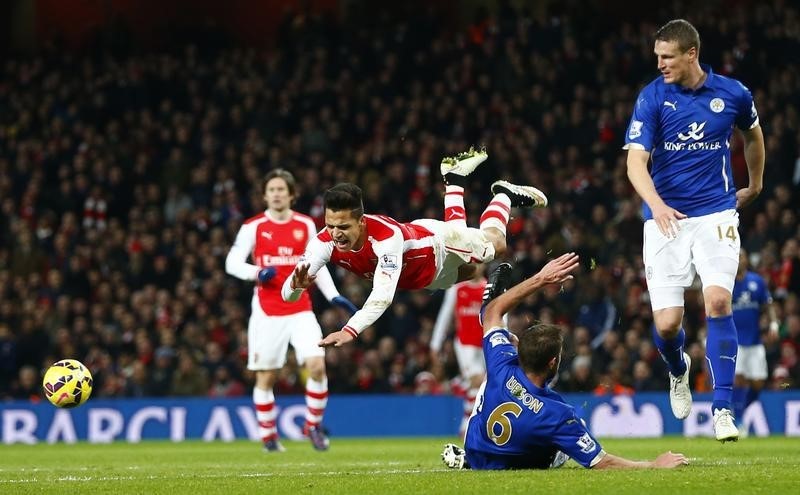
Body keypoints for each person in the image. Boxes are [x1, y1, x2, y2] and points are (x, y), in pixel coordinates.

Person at [623, 19, 765, 442]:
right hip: (666, 219)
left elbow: (754, 136)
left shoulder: (733, 94)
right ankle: (678, 369)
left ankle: (722, 408)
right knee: (667, 325)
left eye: (667, 56)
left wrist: (755, 185)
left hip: (716, 213)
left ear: (691, 54)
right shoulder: (651, 97)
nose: (660, 64)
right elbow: (635, 163)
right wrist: (658, 205)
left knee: (719, 301)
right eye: (657, 57)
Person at [441, 255, 689, 470]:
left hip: (476, 449)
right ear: (552, 362)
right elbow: (601, 462)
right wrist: (653, 465)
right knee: (567, 435)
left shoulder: (502, 364)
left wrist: (540, 278)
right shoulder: (558, 413)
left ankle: (472, 459)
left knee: (493, 366)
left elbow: (492, 312)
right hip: (517, 461)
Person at [281, 148, 548, 347]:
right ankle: (454, 180)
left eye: (344, 227)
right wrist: (296, 287)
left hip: (437, 243)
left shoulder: (385, 239)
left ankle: (503, 194)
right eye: (331, 226)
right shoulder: (322, 243)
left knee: (496, 246)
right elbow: (287, 296)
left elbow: (383, 296)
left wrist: (349, 330)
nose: (336, 234)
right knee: (468, 270)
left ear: (361, 222)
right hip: (425, 276)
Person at [225, 169, 358, 452]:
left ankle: (312, 425)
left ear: (291, 194)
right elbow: (232, 263)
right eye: (271, 189)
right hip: (266, 312)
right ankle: (269, 437)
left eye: (281, 189)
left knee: (317, 366)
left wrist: (334, 296)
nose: (276, 194)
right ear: (264, 195)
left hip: (301, 310)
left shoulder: (306, 225)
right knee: (267, 377)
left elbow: (316, 264)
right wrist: (257, 272)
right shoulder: (253, 226)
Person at [430, 263, 487, 437]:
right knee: (476, 379)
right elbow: (444, 317)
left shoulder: (489, 289)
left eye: (480, 263)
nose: (476, 267)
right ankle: (467, 427)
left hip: (485, 343)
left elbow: (501, 315)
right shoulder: (457, 289)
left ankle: (458, 390)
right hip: (464, 343)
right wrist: (435, 344)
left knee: (479, 385)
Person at [731, 248, 779, 435]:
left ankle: (737, 410)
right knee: (739, 380)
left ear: (746, 260)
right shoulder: (726, 283)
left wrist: (774, 324)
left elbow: (768, 305)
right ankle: (740, 420)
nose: (739, 259)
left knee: (758, 383)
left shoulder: (756, 281)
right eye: (736, 255)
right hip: (734, 341)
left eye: (741, 256)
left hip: (755, 340)